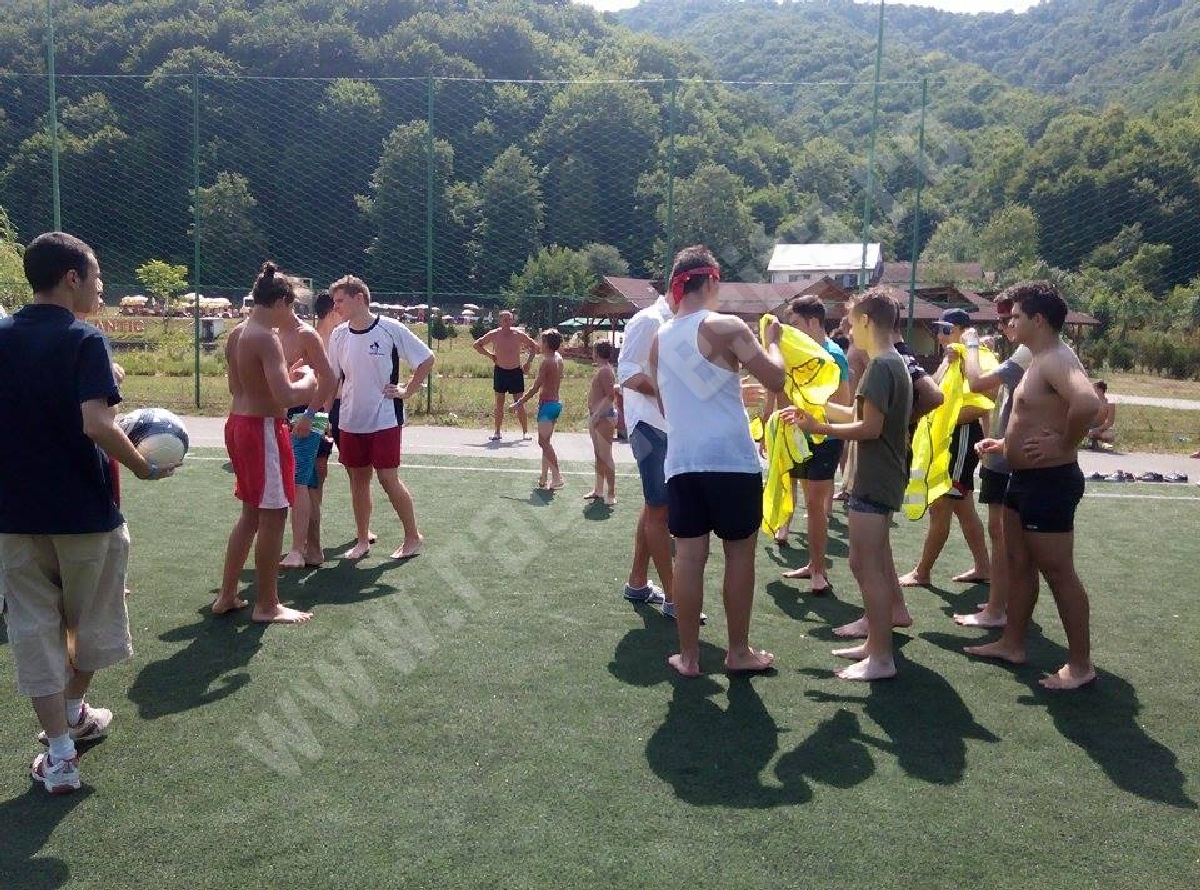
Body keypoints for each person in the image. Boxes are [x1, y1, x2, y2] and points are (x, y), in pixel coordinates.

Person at [0, 232, 177, 794]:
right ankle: (74, 709)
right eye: (97, 276)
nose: (102, 287)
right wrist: (144, 468)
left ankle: (61, 754)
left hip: (14, 514)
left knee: (35, 630)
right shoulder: (85, 339)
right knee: (92, 622)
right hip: (83, 511)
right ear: (72, 278)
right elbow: (97, 424)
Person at [650, 245, 785, 678]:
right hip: (732, 462)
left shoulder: (659, 339)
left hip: (683, 462)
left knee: (689, 559)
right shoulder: (727, 326)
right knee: (739, 556)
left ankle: (689, 657)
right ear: (710, 281)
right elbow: (776, 379)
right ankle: (738, 652)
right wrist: (774, 343)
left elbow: (669, 407)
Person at [966, 281, 1101, 690]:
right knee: (1018, 563)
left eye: (1016, 316)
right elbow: (1037, 416)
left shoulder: (1057, 358)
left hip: (1050, 482)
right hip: (1022, 479)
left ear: (1038, 320)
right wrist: (1004, 444)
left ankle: (1080, 666)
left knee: (1059, 573)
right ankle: (1012, 644)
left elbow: (1088, 403)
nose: (1010, 322)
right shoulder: (1038, 359)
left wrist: (1064, 444)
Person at [790, 290, 913, 681]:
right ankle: (875, 644)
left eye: (850, 322)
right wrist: (815, 407)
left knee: (866, 566)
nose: (846, 329)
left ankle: (881, 658)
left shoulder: (880, 366)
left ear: (866, 321)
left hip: (875, 480)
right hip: (880, 477)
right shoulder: (890, 362)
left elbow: (869, 428)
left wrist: (820, 427)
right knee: (870, 563)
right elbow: (858, 414)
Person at [214, 263, 318, 624]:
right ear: (279, 302)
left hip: (238, 424)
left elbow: (238, 385)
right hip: (263, 431)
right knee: (274, 516)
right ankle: (267, 604)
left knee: (250, 515)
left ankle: (227, 595)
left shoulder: (238, 333)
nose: (290, 316)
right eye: (290, 307)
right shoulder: (266, 336)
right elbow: (288, 396)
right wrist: (309, 380)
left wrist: (283, 379)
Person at [326, 275, 435, 560]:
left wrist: (407, 390)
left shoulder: (390, 328)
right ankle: (362, 540)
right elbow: (332, 379)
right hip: (350, 420)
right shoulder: (338, 335)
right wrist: (325, 415)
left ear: (359, 298)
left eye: (340, 301)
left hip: (384, 419)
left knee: (388, 479)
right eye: (334, 302)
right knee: (358, 480)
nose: (335, 307)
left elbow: (426, 358)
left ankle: (413, 537)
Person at [954, 294, 1033, 628]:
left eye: (1009, 319)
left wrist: (971, 345)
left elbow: (977, 383)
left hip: (1014, 460)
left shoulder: (1031, 352)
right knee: (1001, 534)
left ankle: (999, 610)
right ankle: (1000, 605)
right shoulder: (1028, 352)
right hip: (1003, 453)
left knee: (1007, 538)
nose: (1004, 327)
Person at [899, 308, 994, 588]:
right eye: (939, 329)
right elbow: (938, 393)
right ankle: (983, 567)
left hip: (959, 439)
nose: (940, 336)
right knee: (963, 509)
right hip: (944, 441)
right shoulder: (950, 358)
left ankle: (922, 572)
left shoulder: (975, 357)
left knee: (941, 506)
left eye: (945, 330)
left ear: (962, 331)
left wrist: (948, 421)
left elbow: (985, 402)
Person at [765, 296, 852, 596]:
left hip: (825, 438)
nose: (790, 330)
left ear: (813, 322)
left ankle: (819, 571)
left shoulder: (833, 355)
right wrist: (773, 425)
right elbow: (782, 390)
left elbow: (844, 405)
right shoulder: (795, 351)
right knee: (805, 498)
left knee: (815, 504)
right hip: (798, 435)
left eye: (796, 324)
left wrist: (813, 416)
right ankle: (813, 564)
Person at [616, 288, 676, 614]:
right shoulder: (650, 320)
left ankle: (637, 582)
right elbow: (626, 372)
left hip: (667, 426)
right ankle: (676, 598)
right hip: (649, 425)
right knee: (660, 509)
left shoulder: (680, 321)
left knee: (655, 506)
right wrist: (675, 394)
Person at [278, 291, 336, 569]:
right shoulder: (273, 333)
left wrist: (312, 416)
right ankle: (313, 549)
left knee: (299, 482)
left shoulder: (305, 334)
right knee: (309, 485)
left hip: (307, 416)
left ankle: (297, 551)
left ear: (284, 304)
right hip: (288, 414)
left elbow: (329, 378)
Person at [512, 330, 565, 490]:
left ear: (547, 344)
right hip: (554, 404)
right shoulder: (558, 358)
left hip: (547, 406)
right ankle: (544, 477)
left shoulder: (547, 362)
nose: (539, 343)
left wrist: (519, 403)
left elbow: (535, 388)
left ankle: (557, 477)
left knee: (543, 443)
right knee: (546, 443)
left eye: (541, 341)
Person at [473, 309, 538, 441]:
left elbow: (534, 346)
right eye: (505, 320)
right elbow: (477, 345)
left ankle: (525, 432)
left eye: (509, 319)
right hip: (500, 371)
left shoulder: (518, 334)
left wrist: (528, 363)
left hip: (516, 371)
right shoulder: (494, 334)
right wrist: (490, 355)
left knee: (519, 402)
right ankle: (497, 432)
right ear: (500, 321)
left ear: (512, 321)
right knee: (499, 402)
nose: (507, 322)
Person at [584, 340, 618, 506]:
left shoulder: (605, 370)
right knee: (599, 456)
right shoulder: (603, 369)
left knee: (606, 456)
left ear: (597, 352)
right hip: (597, 417)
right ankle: (598, 490)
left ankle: (611, 493)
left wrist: (597, 414)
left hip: (603, 417)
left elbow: (610, 395)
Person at [1086, 381, 1116, 450]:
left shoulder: (1110, 404)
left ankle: (1098, 442)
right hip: (1088, 427)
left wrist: (1097, 429)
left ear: (1100, 390)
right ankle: (1090, 441)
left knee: (1109, 436)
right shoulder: (1089, 401)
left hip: (1101, 428)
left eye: (1093, 388)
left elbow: (1110, 422)